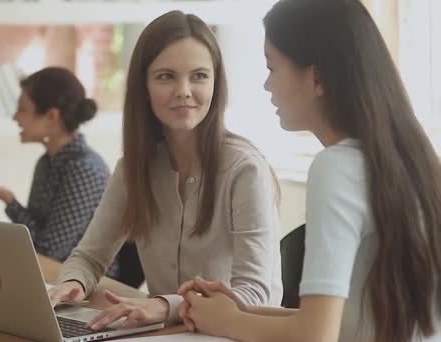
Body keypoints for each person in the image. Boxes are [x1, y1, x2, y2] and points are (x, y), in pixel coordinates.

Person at [177, 1, 441, 342]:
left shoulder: (337, 168)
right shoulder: (415, 161)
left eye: (272, 67)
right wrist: (240, 310)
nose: (267, 85)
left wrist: (226, 323)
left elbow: (316, 335)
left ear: (316, 77)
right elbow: (351, 321)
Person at [48, 10, 283, 330]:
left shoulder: (244, 170)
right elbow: (89, 257)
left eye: (199, 75)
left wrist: (164, 305)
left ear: (216, 83)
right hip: (170, 334)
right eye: (166, 76)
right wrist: (73, 282)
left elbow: (255, 294)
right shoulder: (134, 167)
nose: (184, 90)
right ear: (143, 86)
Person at [0, 67, 114, 271]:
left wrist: (2, 211)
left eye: (22, 109)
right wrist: (7, 201)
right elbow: (36, 237)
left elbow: (49, 250)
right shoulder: (46, 162)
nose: (15, 117)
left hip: (86, 284)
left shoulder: (84, 169)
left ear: (51, 116)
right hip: (50, 274)